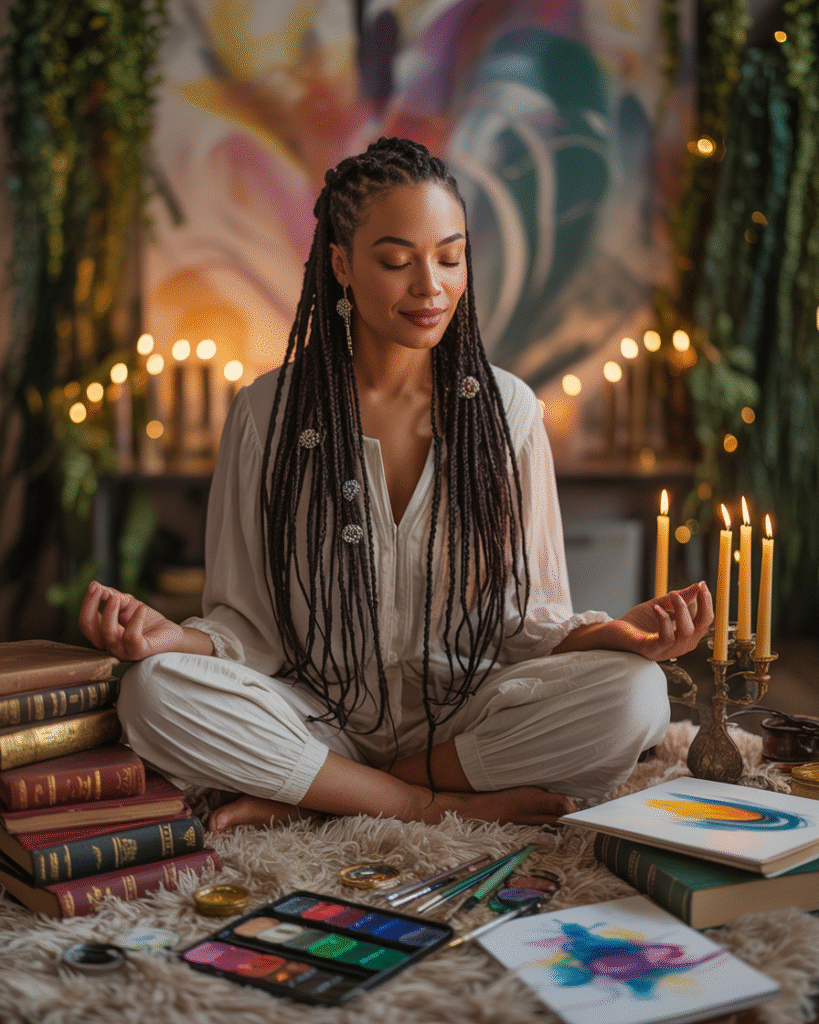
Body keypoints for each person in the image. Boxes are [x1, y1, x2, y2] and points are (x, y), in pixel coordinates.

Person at [79, 138, 713, 833]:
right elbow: (247, 627)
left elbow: (527, 626)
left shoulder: (509, 413)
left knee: (636, 696)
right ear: (342, 264)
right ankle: (418, 803)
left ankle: (331, 795)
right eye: (394, 261)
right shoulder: (268, 414)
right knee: (153, 693)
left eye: (449, 256)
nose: (429, 286)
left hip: (466, 725)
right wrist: (170, 639)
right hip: (315, 718)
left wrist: (615, 635)